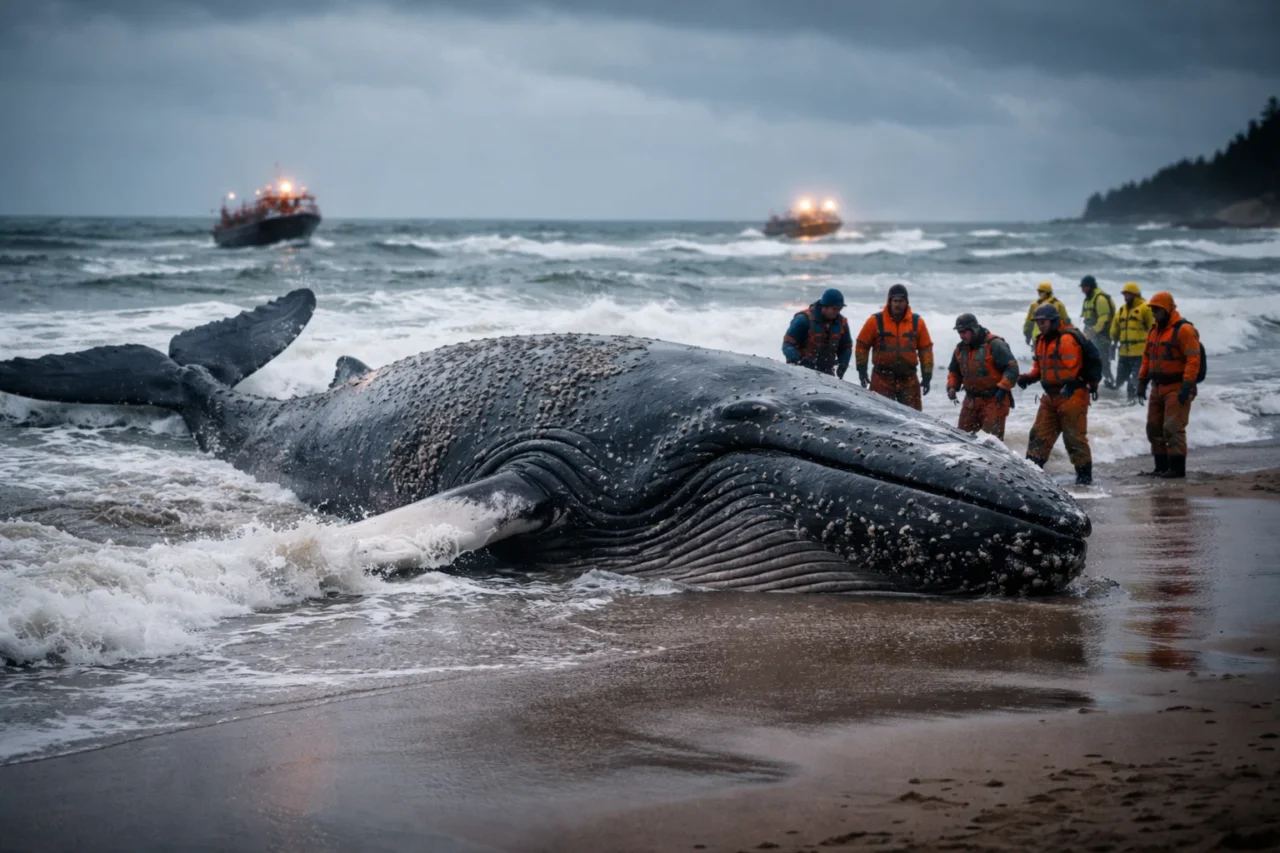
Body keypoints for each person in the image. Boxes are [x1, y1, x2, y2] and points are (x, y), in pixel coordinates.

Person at [1017, 303, 1098, 485]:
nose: (1040, 325)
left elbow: (1073, 369)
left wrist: (1071, 383)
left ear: (1053, 321)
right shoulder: (1041, 341)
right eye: (1038, 322)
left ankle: (1085, 480)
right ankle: (1032, 478)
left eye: (1043, 321)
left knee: (1074, 439)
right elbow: (1039, 369)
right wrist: (1027, 378)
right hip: (1050, 396)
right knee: (1038, 435)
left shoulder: (1067, 340)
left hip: (1073, 395)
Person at [1136, 292, 1202, 479]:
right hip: (1157, 386)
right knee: (1153, 428)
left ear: (1167, 309)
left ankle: (1177, 469)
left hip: (1177, 385)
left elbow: (1193, 359)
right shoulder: (1154, 331)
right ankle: (1161, 467)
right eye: (1152, 310)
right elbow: (1147, 358)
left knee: (1172, 428)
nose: (1154, 313)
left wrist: (1187, 385)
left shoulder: (1184, 330)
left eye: (1157, 309)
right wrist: (1142, 381)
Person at [854, 283, 934, 410]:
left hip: (909, 379)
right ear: (889, 301)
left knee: (914, 419)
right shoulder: (875, 321)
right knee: (879, 416)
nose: (898, 304)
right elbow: (862, 346)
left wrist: (927, 375)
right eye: (895, 301)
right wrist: (862, 370)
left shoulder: (917, 322)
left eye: (901, 301)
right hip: (881, 378)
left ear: (906, 302)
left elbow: (926, 350)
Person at [946, 313, 1018, 439]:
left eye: (964, 332)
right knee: (962, 440)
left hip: (994, 400)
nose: (961, 336)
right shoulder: (960, 349)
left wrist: (1002, 389)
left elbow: (1012, 369)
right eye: (959, 332)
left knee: (991, 444)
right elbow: (954, 371)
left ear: (973, 329)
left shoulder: (995, 344)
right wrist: (952, 386)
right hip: (970, 401)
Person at [782, 288, 852, 378]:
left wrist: (843, 364)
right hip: (803, 371)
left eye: (839, 309)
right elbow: (788, 343)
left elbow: (846, 347)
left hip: (827, 372)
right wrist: (794, 362)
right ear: (824, 306)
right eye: (834, 309)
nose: (837, 312)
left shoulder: (841, 323)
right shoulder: (804, 319)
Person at [1108, 282, 1155, 403]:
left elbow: (1153, 328)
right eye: (1124, 294)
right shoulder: (1122, 309)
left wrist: (1154, 348)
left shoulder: (1145, 308)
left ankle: (1136, 405)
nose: (1125, 296)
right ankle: (1128, 404)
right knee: (1120, 380)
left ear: (1135, 294)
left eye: (1128, 294)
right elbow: (1115, 327)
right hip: (1124, 352)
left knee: (1134, 380)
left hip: (1140, 352)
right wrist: (1113, 341)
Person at [1079, 275, 1115, 388]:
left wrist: (1092, 332)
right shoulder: (1088, 299)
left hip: (1102, 336)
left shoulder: (1100, 299)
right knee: (1088, 359)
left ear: (1089, 286)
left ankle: (1110, 383)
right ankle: (1093, 382)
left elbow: (1104, 319)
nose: (1082, 290)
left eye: (1083, 287)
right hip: (1091, 335)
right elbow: (1084, 318)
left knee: (1103, 360)